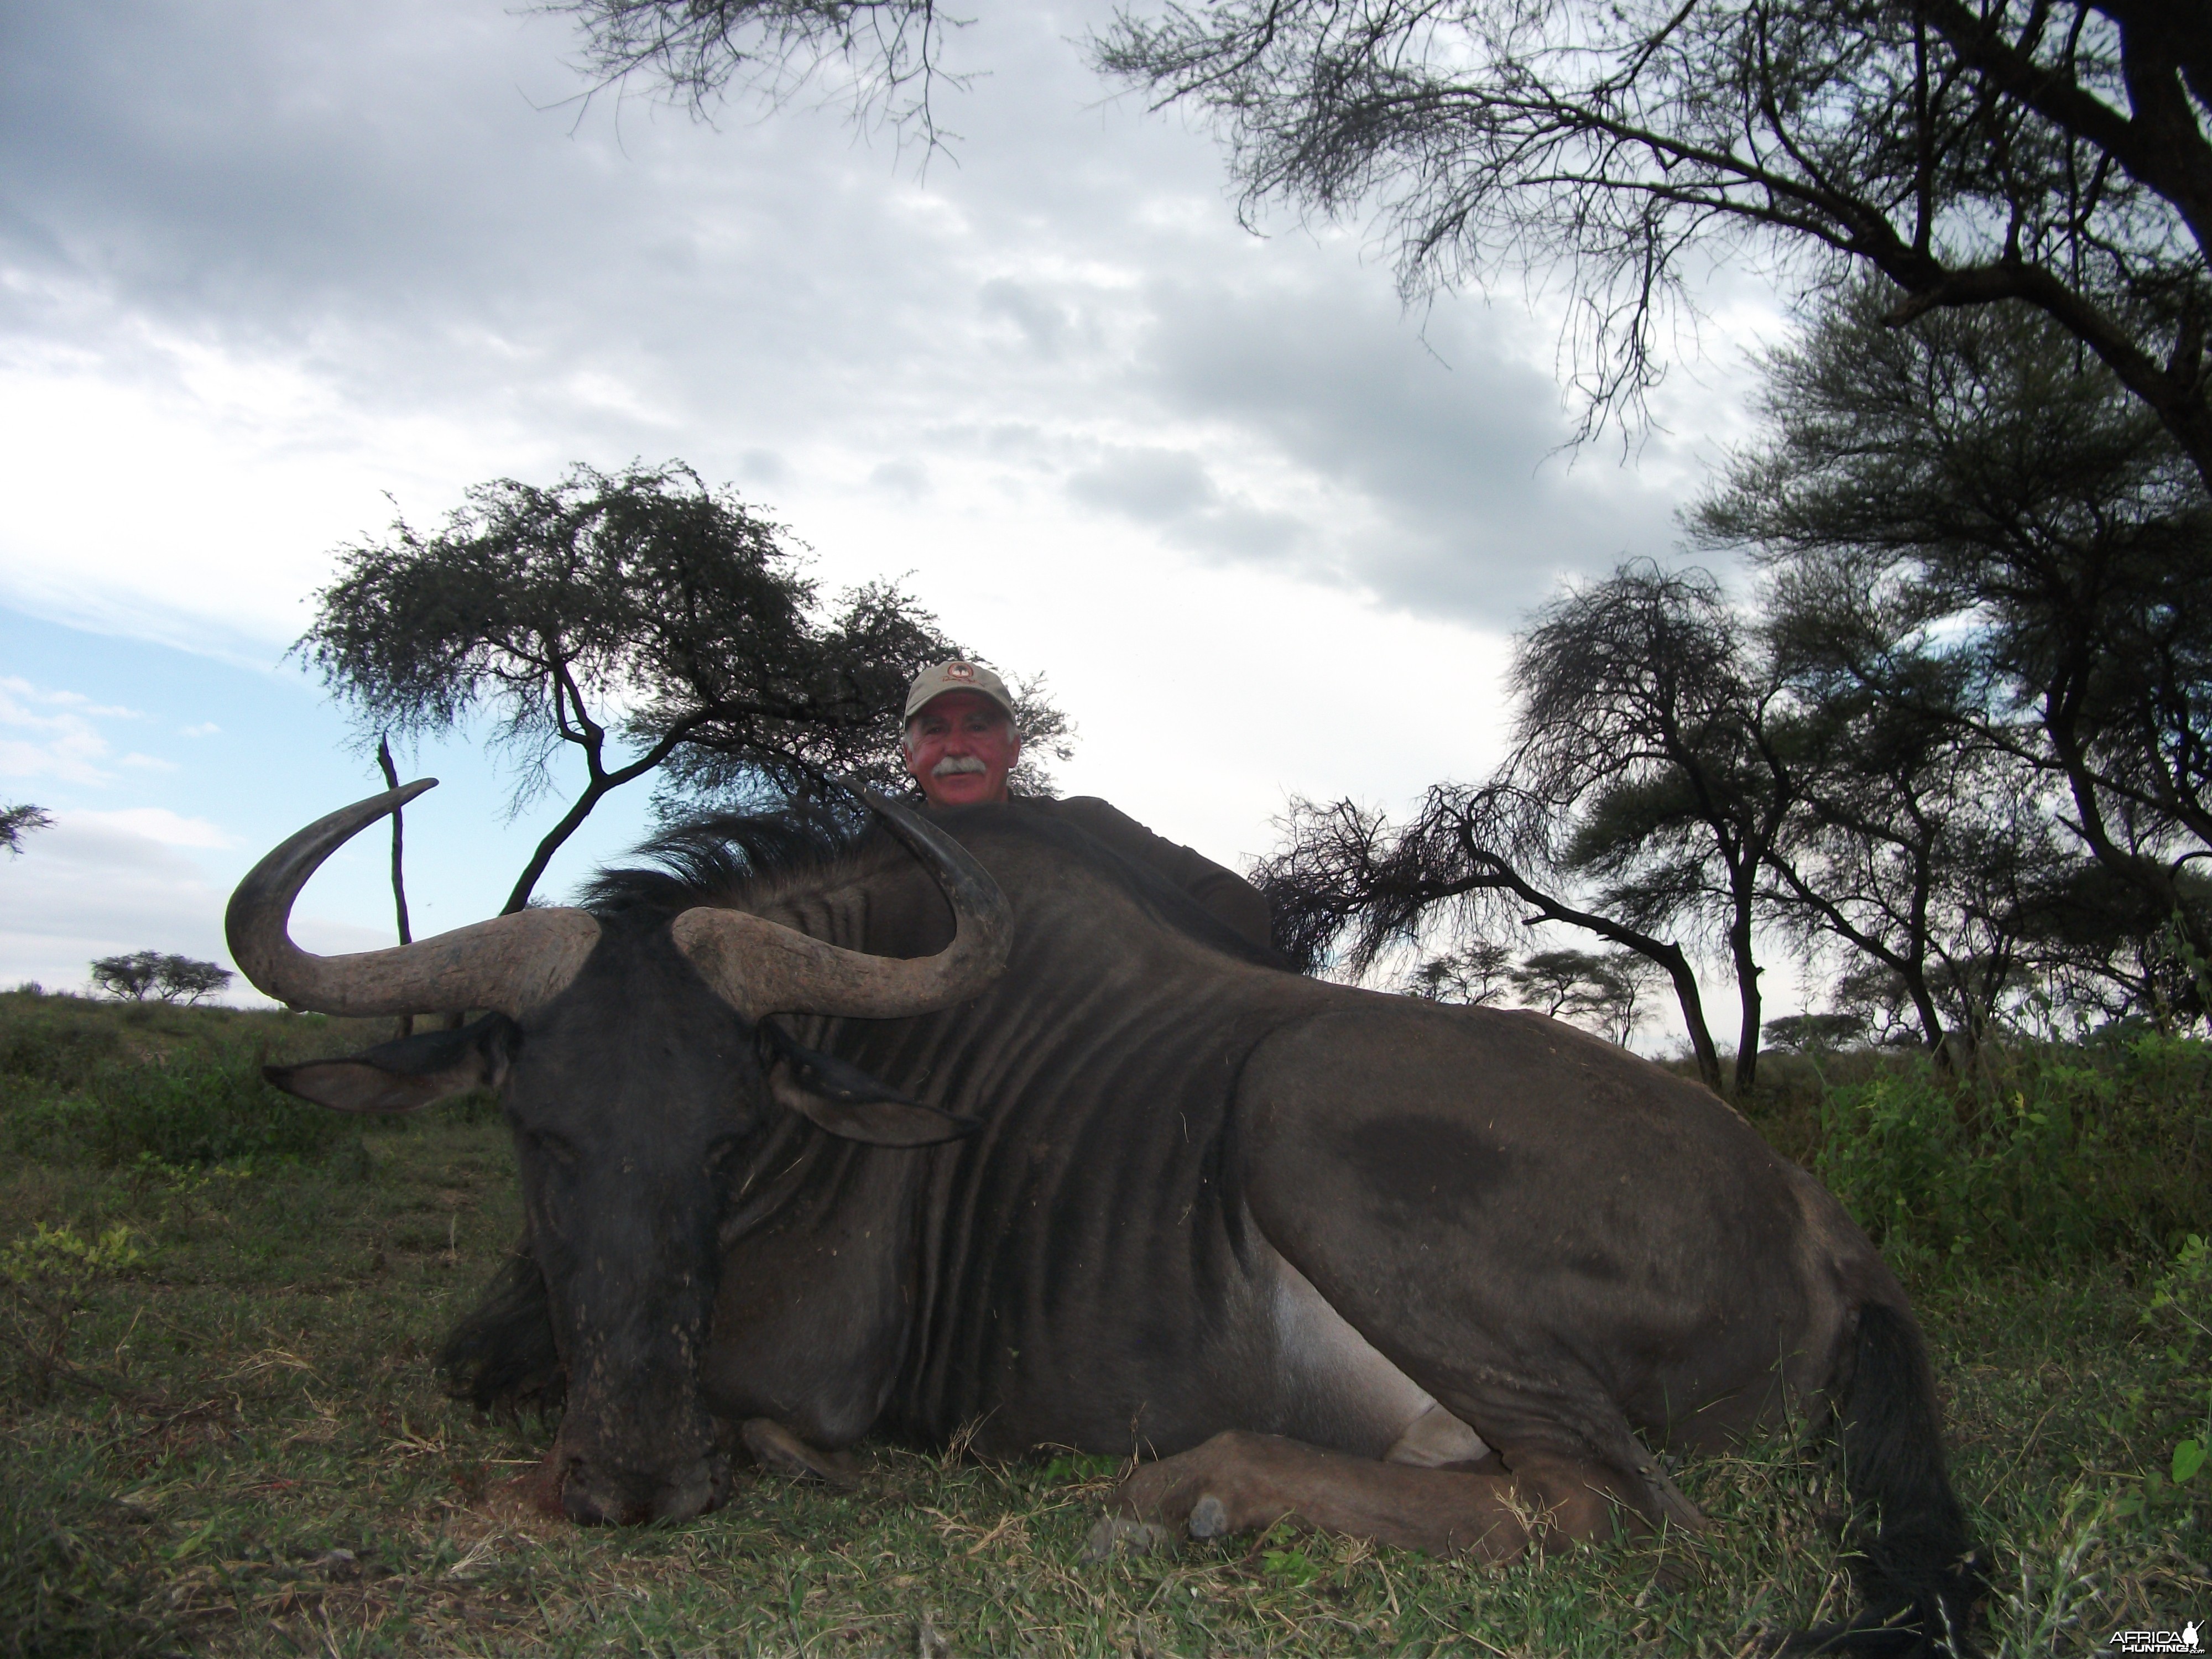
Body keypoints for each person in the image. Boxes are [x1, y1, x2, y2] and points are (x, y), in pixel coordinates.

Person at [900, 659, 1275, 954]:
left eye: (978, 727)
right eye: (935, 730)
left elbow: (1233, 901)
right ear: (909, 756)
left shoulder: (1087, 825)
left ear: (1013, 750)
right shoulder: (881, 854)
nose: (957, 748)